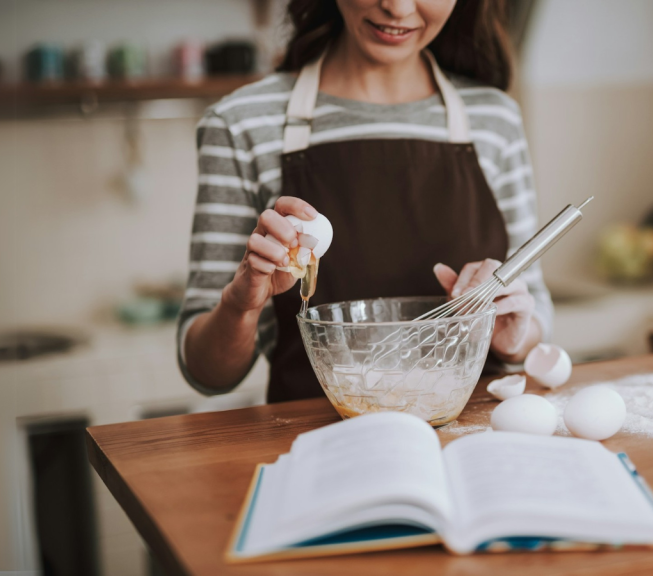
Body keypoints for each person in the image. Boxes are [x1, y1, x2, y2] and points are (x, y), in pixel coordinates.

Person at [178, 0, 553, 402]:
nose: (397, 7)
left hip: (476, 439)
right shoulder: (241, 122)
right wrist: (240, 307)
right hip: (319, 442)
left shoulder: (495, 119)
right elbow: (207, 373)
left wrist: (513, 335)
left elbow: (534, 310)